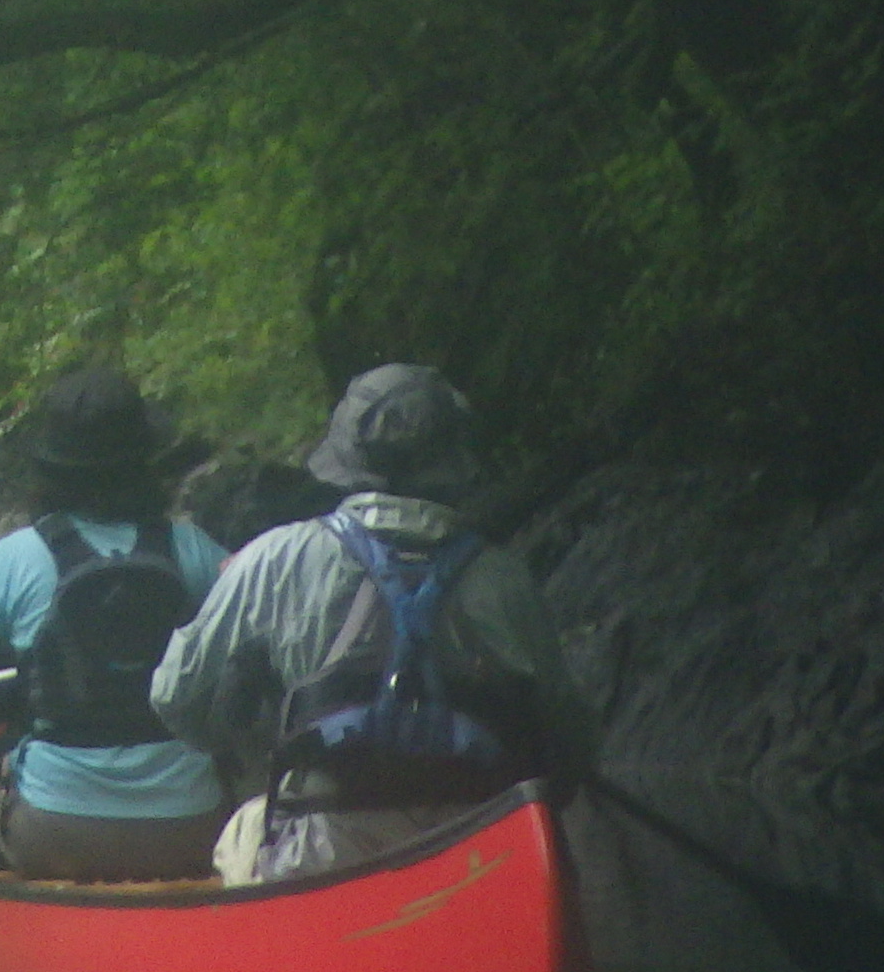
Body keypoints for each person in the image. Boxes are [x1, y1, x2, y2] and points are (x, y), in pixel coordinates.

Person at [149, 363, 597, 884]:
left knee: (244, 829)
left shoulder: (274, 558)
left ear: (349, 460)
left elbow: (174, 698)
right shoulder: (504, 578)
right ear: (453, 459)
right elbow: (568, 748)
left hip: (321, 851)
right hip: (479, 850)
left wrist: (242, 737)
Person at [0, 366, 232, 880]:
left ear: (50, 468)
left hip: (54, 836)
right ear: (146, 461)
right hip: (192, 828)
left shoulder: (16, 557)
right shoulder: (195, 550)